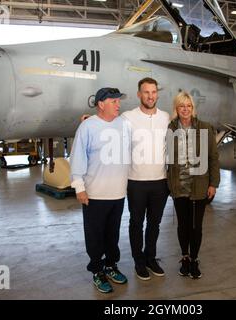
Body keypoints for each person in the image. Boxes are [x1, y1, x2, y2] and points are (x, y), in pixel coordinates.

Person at [70, 87, 131, 293]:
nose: (118, 104)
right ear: (101, 104)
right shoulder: (87, 127)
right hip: (95, 194)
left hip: (118, 193)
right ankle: (97, 270)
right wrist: (79, 188)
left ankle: (111, 266)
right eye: (114, 101)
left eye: (118, 101)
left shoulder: (124, 124)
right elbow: (77, 157)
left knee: (112, 234)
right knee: (95, 235)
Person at [166, 91, 220, 279]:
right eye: (182, 106)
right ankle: (185, 258)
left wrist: (214, 184)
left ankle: (195, 259)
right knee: (183, 226)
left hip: (199, 187)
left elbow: (213, 158)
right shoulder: (170, 129)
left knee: (196, 227)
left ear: (192, 109)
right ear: (177, 109)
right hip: (179, 187)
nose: (185, 109)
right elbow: (167, 159)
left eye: (189, 106)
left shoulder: (205, 128)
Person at [121, 78, 170, 281]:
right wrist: (90, 120)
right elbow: (109, 129)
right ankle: (138, 261)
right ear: (139, 94)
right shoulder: (127, 117)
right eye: (146, 92)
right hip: (136, 182)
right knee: (136, 223)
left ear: (157, 94)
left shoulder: (165, 117)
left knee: (155, 224)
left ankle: (151, 258)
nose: (150, 96)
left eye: (153, 92)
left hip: (160, 181)